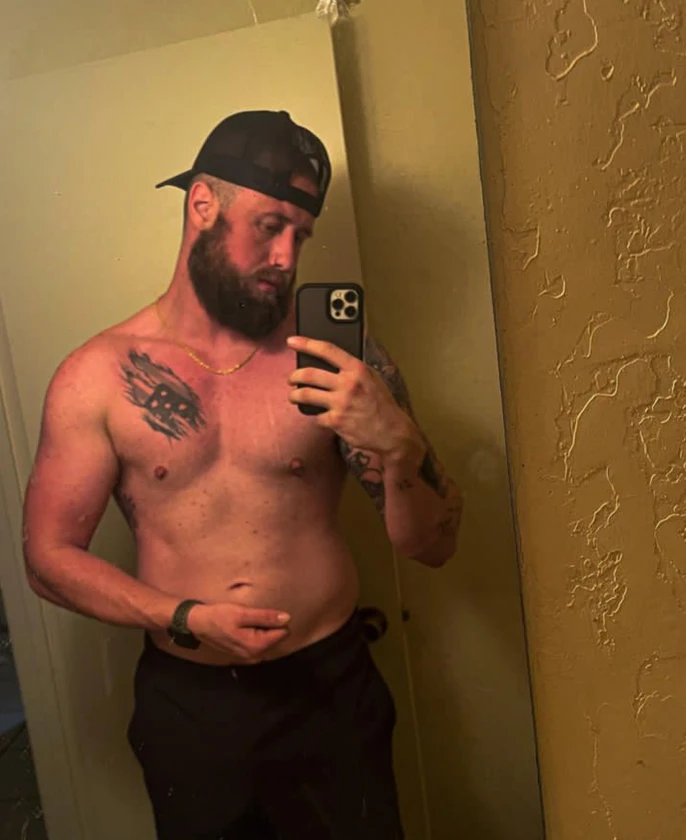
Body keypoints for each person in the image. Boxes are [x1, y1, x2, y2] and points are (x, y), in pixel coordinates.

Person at [22, 110, 462, 840]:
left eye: (301, 235)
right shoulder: (97, 376)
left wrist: (400, 447)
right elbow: (46, 559)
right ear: (202, 204)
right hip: (191, 704)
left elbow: (433, 546)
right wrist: (182, 617)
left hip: (330, 689)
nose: (287, 257)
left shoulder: (334, 361)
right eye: (269, 226)